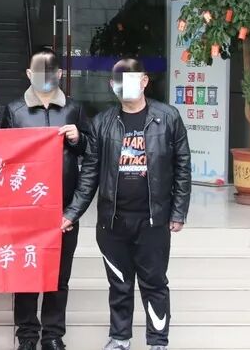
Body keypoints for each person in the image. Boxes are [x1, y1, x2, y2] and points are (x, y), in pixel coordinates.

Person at [64, 58, 192, 350]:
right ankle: (120, 338)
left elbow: (182, 167)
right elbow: (90, 174)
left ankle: (158, 341)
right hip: (113, 222)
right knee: (119, 283)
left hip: (153, 220)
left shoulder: (168, 117)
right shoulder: (102, 123)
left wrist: (178, 211)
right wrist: (72, 213)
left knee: (154, 283)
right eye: (119, 81)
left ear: (144, 81)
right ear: (112, 85)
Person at [0, 46, 93, 350]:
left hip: (63, 211)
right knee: (26, 274)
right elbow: (1, 160)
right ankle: (27, 335)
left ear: (60, 74)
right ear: (29, 74)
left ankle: (53, 335)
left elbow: (92, 154)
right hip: (25, 213)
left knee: (58, 277)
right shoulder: (14, 110)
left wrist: (79, 139)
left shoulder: (74, 109)